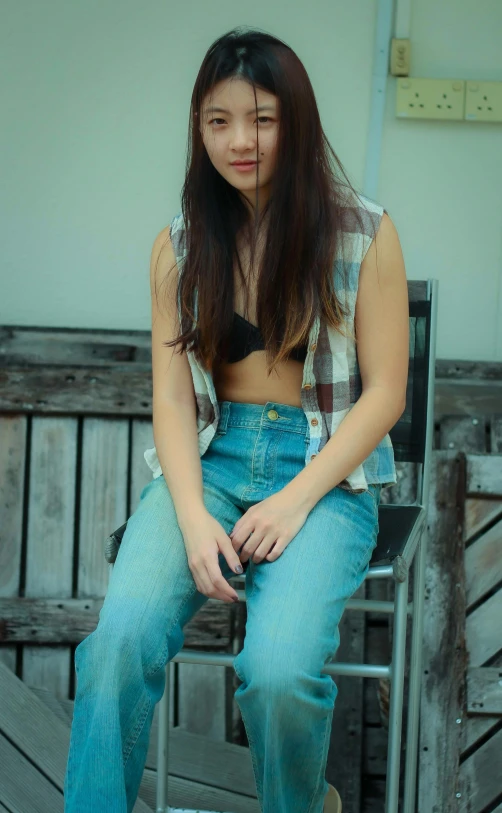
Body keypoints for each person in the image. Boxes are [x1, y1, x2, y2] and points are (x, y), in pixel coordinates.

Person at [64, 26, 409, 813]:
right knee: (115, 647)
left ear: (297, 121)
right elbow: (175, 399)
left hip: (323, 471)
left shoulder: (365, 233)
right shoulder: (179, 247)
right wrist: (190, 517)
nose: (239, 140)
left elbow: (386, 393)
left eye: (261, 118)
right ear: (199, 129)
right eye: (218, 121)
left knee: (279, 671)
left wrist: (292, 501)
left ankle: (301, 802)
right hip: (211, 467)